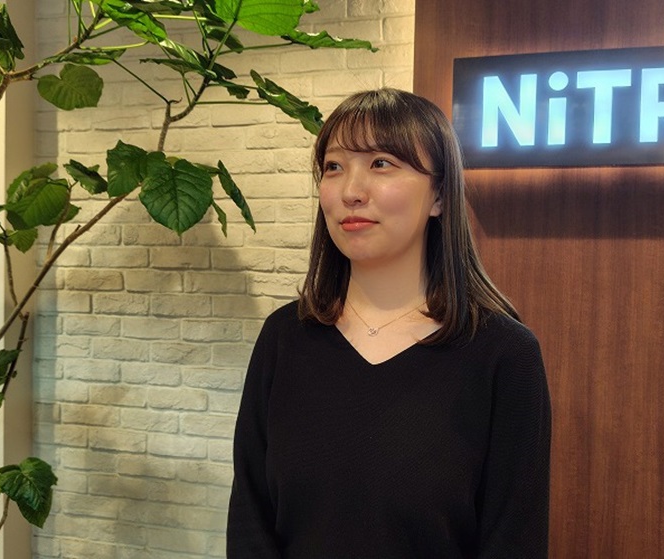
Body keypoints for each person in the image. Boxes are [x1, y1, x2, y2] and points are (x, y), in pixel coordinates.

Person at [226, 88, 551, 558]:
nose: (351, 191)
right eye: (334, 167)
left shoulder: (503, 355)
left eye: (381, 163)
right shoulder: (284, 337)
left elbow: (514, 540)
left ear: (439, 195)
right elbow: (250, 518)